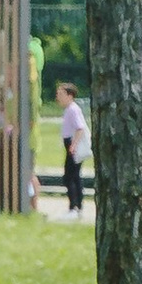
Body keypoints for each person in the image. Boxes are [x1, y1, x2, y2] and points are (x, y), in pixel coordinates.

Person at [56, 81, 90, 218]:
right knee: (74, 176)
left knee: (70, 177)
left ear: (70, 95)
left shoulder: (73, 109)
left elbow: (80, 128)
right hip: (70, 144)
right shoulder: (69, 109)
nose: (58, 97)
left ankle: (74, 207)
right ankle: (77, 206)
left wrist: (73, 145)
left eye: (61, 94)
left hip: (72, 145)